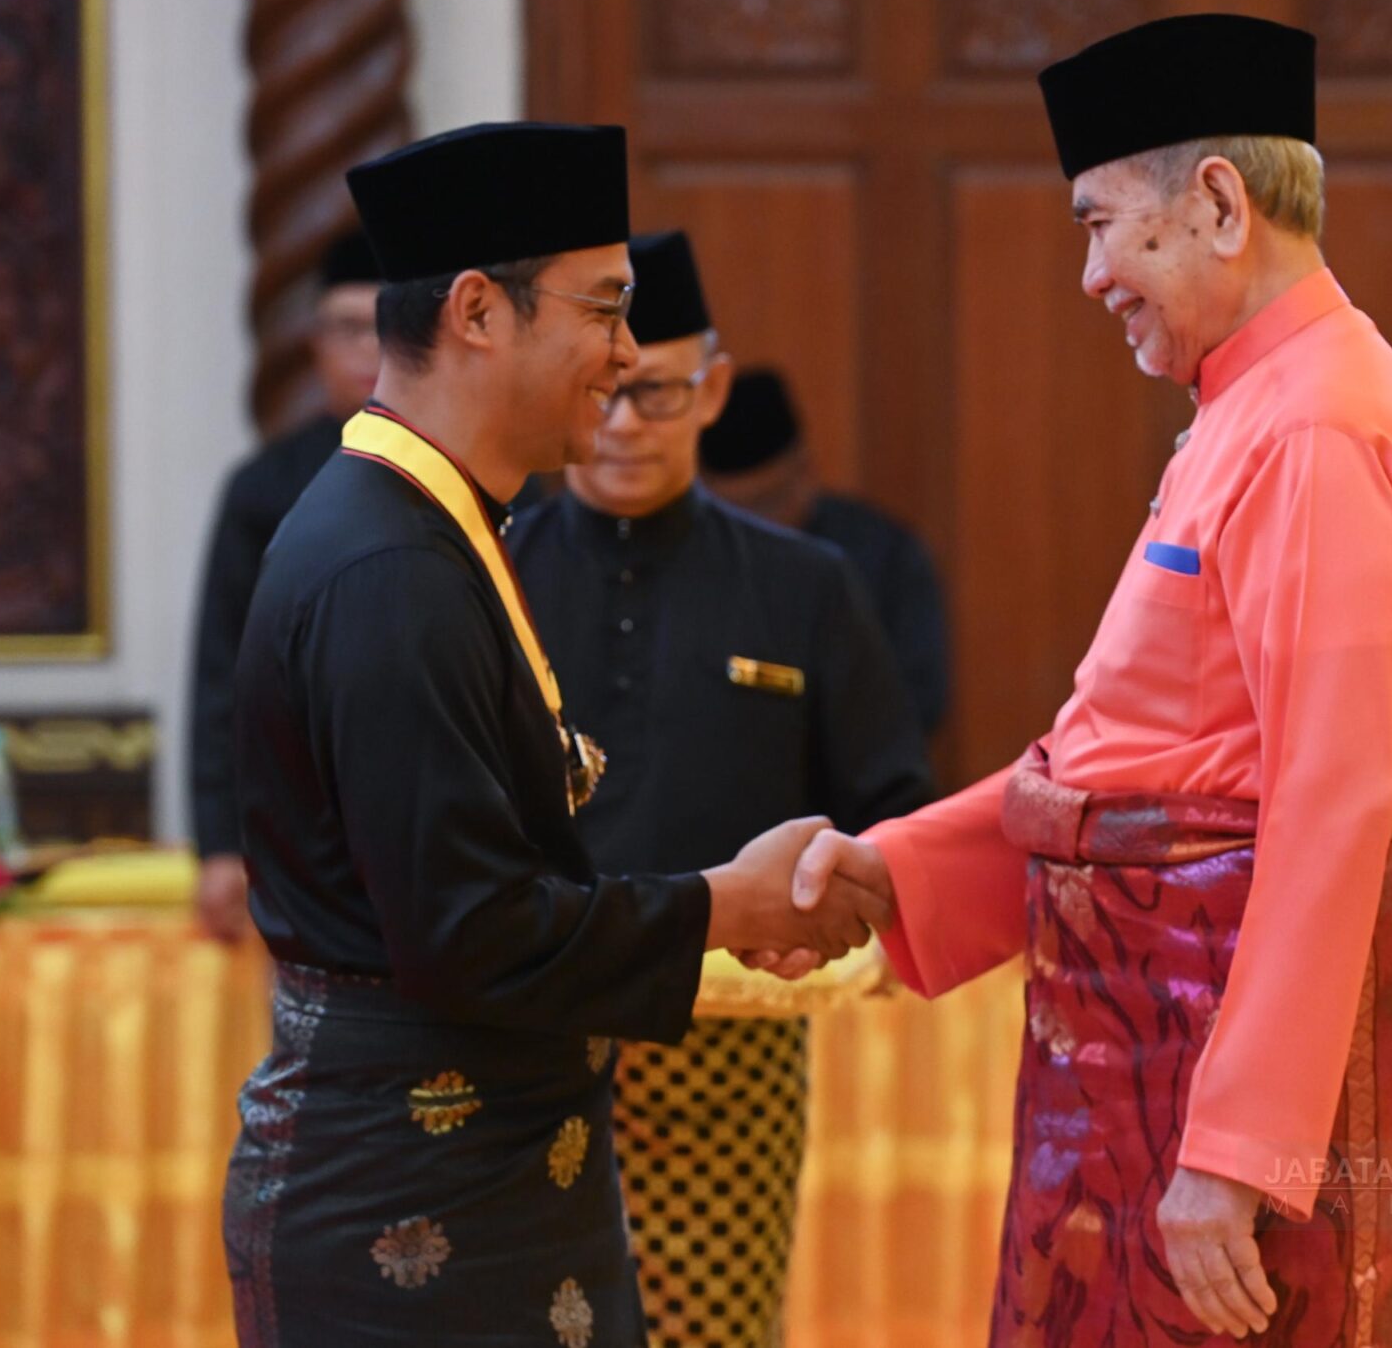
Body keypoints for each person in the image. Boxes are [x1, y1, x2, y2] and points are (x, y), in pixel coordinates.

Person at [785, 15, 1392, 1347]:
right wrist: (896, 872)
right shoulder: (1252, 402)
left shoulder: (1316, 423)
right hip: (1146, 1031)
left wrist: (1240, 1146)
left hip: (1219, 1050)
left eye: (1101, 225)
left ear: (1217, 203)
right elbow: (1140, 753)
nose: (1093, 275)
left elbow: (1329, 799)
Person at [220, 123, 891, 1348]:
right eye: (604, 309)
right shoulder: (389, 568)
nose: (625, 355)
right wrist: (724, 904)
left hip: (483, 1169)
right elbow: (467, 931)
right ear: (479, 312)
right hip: (412, 1199)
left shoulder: (432, 525)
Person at [508, 228, 933, 1347]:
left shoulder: (805, 585)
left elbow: (888, 799)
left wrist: (843, 903)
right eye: (601, 392)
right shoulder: (489, 578)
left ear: (713, 389)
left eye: (655, 393)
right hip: (527, 1030)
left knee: (712, 1330)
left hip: (729, 1049)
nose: (622, 425)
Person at [189, 228, 380, 940]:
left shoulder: (489, 477)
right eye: (348, 328)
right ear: (316, 343)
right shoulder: (263, 489)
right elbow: (222, 675)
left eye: (387, 327)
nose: (369, 351)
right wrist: (219, 842)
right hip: (300, 829)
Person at [699, 369, 951, 736]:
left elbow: (920, 698)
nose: (756, 526)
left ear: (805, 472)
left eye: (769, 502)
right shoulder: (697, 556)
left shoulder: (883, 555)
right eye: (735, 514)